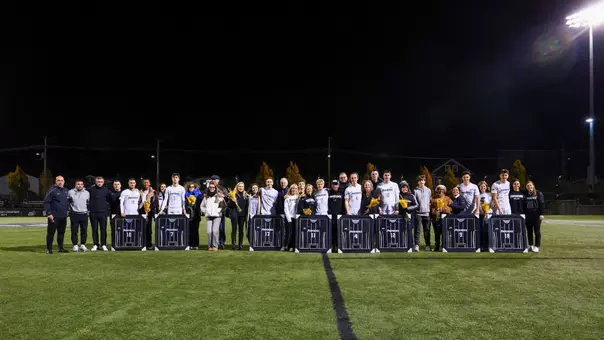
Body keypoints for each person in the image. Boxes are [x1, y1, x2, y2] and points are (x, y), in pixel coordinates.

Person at [44, 176, 69, 254]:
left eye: (61, 180)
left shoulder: (66, 190)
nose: (60, 182)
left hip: (63, 216)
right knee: (51, 233)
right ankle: (49, 249)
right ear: (56, 181)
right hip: (54, 216)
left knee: (61, 233)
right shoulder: (52, 190)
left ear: (64, 181)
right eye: (58, 180)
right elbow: (46, 202)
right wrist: (48, 213)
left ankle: (60, 248)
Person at [199, 183, 226, 251]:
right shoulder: (206, 197)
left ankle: (215, 246)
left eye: (213, 187)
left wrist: (217, 211)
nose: (212, 188)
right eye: (210, 187)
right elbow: (202, 206)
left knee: (214, 231)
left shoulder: (219, 196)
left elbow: (224, 206)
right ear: (208, 188)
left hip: (217, 216)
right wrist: (206, 211)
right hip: (208, 216)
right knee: (209, 232)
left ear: (215, 188)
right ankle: (209, 246)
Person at [88, 176, 111, 251]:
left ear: (103, 182)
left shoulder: (106, 190)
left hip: (103, 213)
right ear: (95, 182)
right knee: (94, 229)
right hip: (93, 212)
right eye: (98, 182)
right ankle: (95, 244)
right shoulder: (90, 189)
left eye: (101, 182)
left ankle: (103, 244)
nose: (99, 183)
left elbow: (108, 199)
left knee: (103, 229)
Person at [119, 178, 144, 249]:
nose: (132, 184)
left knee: (135, 230)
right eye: (131, 183)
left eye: (133, 183)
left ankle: (135, 243)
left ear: (135, 184)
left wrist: (142, 197)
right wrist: (122, 212)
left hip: (135, 215)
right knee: (126, 230)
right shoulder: (124, 192)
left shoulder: (138, 193)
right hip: (126, 215)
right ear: (128, 183)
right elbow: (121, 203)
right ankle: (125, 243)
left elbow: (140, 205)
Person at [68, 180, 90, 252]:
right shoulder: (70, 192)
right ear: (75, 185)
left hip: (84, 214)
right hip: (74, 214)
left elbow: (88, 203)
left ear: (83, 185)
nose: (80, 185)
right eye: (78, 184)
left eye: (81, 184)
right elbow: (67, 202)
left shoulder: (87, 193)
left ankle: (83, 245)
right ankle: (75, 245)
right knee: (74, 230)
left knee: (84, 230)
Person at [430, 184, 452, 252]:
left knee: (444, 232)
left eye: (442, 189)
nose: (440, 191)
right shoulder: (433, 198)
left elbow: (451, 208)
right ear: (437, 190)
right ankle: (436, 247)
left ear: (444, 190)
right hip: (435, 218)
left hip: (445, 218)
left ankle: (444, 246)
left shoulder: (448, 198)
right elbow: (430, 208)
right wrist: (435, 211)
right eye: (439, 189)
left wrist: (443, 209)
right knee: (437, 233)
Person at [398, 181, 419, 251]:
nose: (404, 189)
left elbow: (417, 205)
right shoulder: (398, 195)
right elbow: (395, 205)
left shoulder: (412, 196)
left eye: (406, 187)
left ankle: (411, 245)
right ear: (400, 188)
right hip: (400, 217)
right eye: (403, 187)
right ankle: (401, 245)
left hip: (410, 217)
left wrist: (408, 209)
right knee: (401, 231)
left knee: (409, 231)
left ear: (408, 188)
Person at [209, 175, 229, 248]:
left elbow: (228, 198)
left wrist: (223, 196)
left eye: (216, 179)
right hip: (211, 211)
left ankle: (222, 242)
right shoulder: (209, 188)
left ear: (218, 180)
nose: (214, 180)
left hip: (220, 211)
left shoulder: (223, 188)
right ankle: (213, 243)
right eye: (213, 179)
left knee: (221, 228)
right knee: (212, 229)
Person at [228, 182, 249, 250]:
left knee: (241, 230)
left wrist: (246, 215)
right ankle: (233, 245)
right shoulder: (233, 194)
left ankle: (240, 245)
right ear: (237, 187)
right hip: (234, 213)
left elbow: (247, 206)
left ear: (244, 187)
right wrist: (232, 201)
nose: (241, 188)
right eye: (239, 186)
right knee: (234, 229)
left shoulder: (245, 195)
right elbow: (229, 206)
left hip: (242, 215)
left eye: (242, 186)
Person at [525, 181, 545, 252]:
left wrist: (542, 214)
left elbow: (542, 204)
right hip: (528, 216)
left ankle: (537, 246)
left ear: (533, 186)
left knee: (537, 231)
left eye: (530, 185)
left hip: (536, 216)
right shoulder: (526, 194)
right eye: (528, 186)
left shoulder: (538, 193)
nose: (529, 187)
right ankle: (531, 246)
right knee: (529, 231)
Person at [414, 175, 432, 251]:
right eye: (420, 180)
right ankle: (417, 245)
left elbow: (429, 201)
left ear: (424, 181)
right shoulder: (415, 191)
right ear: (418, 182)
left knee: (427, 230)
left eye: (423, 180)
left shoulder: (428, 190)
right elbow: (414, 202)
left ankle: (427, 245)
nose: (422, 182)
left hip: (426, 213)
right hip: (418, 213)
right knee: (417, 230)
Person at [185, 183, 203, 250]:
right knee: (189, 230)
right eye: (190, 187)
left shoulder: (199, 195)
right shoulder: (185, 195)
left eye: (193, 186)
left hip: (196, 215)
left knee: (195, 230)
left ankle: (195, 245)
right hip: (188, 214)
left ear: (195, 187)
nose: (191, 188)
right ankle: (189, 244)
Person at [328, 180, 344, 251]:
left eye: (336, 184)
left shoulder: (342, 193)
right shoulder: (328, 192)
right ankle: (331, 245)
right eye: (333, 184)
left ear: (338, 185)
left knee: (338, 231)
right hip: (330, 215)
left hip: (339, 215)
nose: (335, 186)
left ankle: (337, 246)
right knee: (331, 231)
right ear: (331, 185)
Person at [283, 184, 300, 252]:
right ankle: (287, 245)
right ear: (290, 189)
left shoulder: (298, 197)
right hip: (289, 218)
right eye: (293, 188)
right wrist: (289, 218)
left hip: (296, 217)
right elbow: (285, 208)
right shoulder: (287, 198)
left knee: (294, 232)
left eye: (295, 188)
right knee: (288, 232)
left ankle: (293, 246)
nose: (294, 190)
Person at [141, 179, 155, 250]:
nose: (146, 184)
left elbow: (155, 202)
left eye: (147, 182)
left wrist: (150, 208)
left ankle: (149, 244)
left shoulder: (153, 192)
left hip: (149, 212)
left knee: (148, 228)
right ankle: (142, 243)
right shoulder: (141, 191)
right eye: (144, 183)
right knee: (141, 228)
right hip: (141, 212)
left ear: (149, 183)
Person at [109, 180, 122, 251]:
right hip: (113, 214)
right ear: (113, 185)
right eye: (115, 184)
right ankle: (114, 244)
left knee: (122, 229)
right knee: (113, 230)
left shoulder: (124, 193)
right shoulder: (110, 193)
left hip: (122, 215)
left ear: (120, 185)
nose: (116, 185)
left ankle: (121, 243)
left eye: (118, 184)